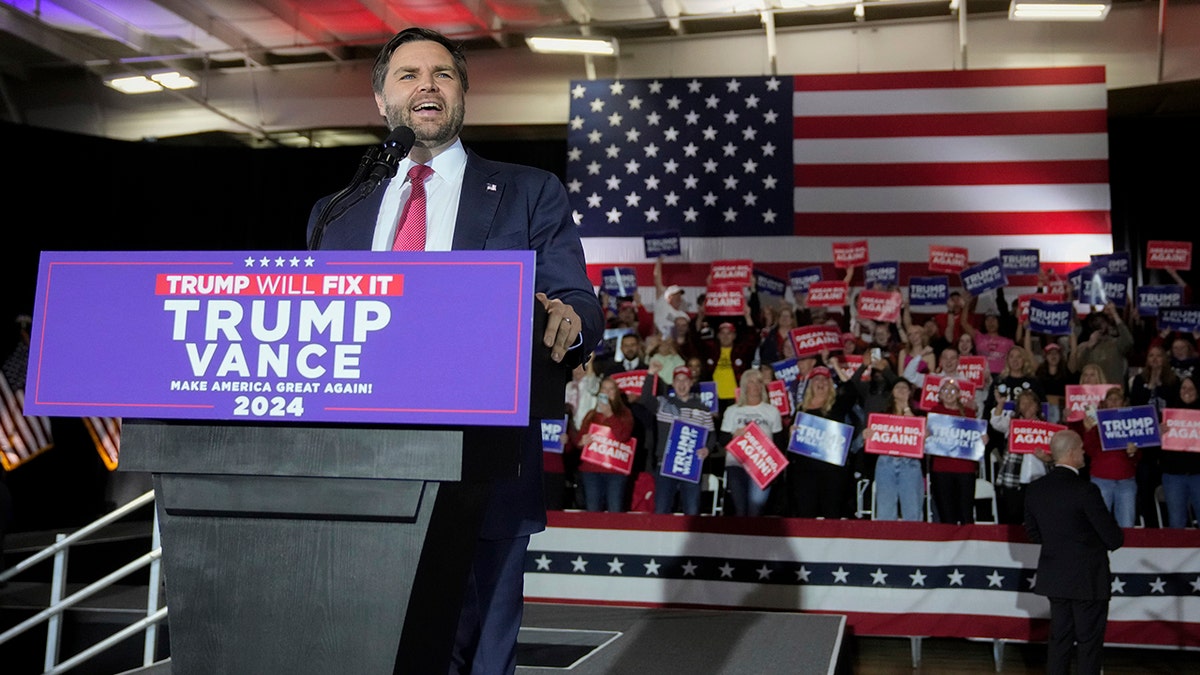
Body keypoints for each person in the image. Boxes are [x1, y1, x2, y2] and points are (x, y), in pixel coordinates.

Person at [305, 27, 603, 675]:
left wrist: (567, 319)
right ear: (380, 97)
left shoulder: (528, 191)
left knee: (479, 655)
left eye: (442, 73)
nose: (427, 85)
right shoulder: (337, 211)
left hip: (485, 463)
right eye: (408, 75)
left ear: (464, 92)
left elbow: (579, 302)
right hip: (363, 467)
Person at [1024, 429, 1124, 675]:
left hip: (1055, 576)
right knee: (1089, 644)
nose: (1084, 452)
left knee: (1059, 641)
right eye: (1080, 448)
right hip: (1087, 579)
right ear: (1070, 453)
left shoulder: (1035, 489)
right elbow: (1113, 538)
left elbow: (1033, 533)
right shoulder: (1085, 490)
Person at [640, 362, 716, 515]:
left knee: (692, 511)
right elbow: (645, 399)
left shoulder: (703, 408)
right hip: (665, 466)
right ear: (673, 383)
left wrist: (707, 448)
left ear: (691, 383)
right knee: (661, 510)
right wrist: (650, 374)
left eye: (685, 381)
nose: (682, 384)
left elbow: (712, 434)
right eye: (678, 380)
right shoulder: (663, 403)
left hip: (691, 467)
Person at [1071, 386, 1140, 527]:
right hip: (1101, 480)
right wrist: (1088, 431)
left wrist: (1133, 452)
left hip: (1126, 481)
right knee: (1099, 525)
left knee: (1127, 525)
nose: (1114, 402)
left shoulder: (1132, 422)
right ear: (1105, 402)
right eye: (1110, 399)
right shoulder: (1096, 423)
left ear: (1124, 402)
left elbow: (1139, 457)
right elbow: (1089, 451)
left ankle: (1126, 550)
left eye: (1117, 399)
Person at [719, 368, 784, 517]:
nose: (754, 385)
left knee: (756, 509)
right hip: (736, 465)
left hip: (762, 467)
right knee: (740, 511)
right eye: (750, 382)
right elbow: (722, 439)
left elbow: (779, 443)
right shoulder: (732, 410)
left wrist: (775, 469)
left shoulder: (772, 411)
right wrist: (734, 435)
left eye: (758, 382)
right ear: (744, 386)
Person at [989, 388, 1053, 524]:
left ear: (1037, 406)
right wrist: (1000, 404)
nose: (1027, 406)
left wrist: (1047, 458)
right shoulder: (1011, 423)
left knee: (1038, 519)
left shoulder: (1047, 427)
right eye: (1023, 403)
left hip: (1039, 479)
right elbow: (995, 421)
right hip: (1014, 480)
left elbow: (1056, 454)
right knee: (1014, 517)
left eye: (1031, 402)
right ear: (1018, 407)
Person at [573, 377, 634, 512]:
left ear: (616, 393)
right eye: (604, 389)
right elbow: (578, 440)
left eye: (610, 389)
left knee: (614, 509)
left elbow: (623, 436)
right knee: (593, 510)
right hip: (591, 471)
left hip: (615, 471)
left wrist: (610, 415)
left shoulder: (625, 414)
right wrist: (582, 441)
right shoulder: (591, 415)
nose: (607, 392)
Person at [869, 378, 925, 521]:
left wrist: (906, 407)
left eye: (904, 387)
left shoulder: (919, 415)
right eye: (897, 387)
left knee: (912, 511)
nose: (901, 390)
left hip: (910, 464)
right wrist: (867, 434)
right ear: (892, 393)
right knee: (885, 512)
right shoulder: (881, 416)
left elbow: (921, 434)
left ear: (910, 392)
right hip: (886, 463)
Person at [1161, 375, 1200, 527]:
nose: (1187, 391)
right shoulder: (1168, 414)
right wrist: (1159, 433)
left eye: (1191, 388)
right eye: (1184, 388)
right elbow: (1154, 447)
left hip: (1198, 475)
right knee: (1176, 522)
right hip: (1173, 476)